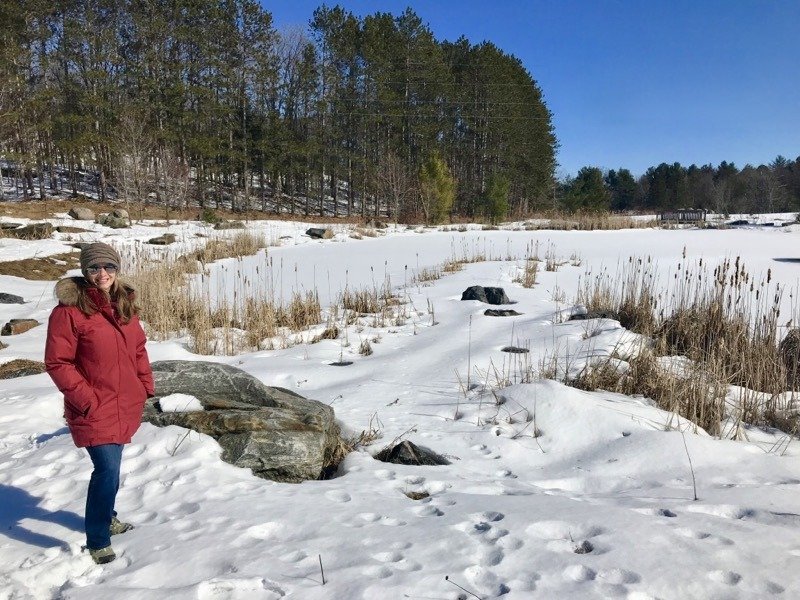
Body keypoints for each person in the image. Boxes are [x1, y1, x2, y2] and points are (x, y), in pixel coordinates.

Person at [45, 242, 154, 564]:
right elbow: (57, 362)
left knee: (113, 469)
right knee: (106, 470)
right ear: (85, 271)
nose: (102, 274)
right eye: (94, 268)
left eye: (108, 267)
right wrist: (87, 399)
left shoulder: (124, 305)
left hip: (125, 401)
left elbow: (138, 350)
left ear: (117, 270)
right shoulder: (69, 311)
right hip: (94, 404)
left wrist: (145, 385)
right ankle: (98, 538)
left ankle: (107, 517)